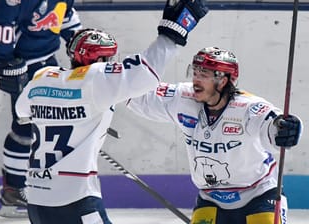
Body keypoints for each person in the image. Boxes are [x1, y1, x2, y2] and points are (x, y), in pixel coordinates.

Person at [14, 0, 209, 223]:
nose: (111, 61)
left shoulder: (43, 77)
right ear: (99, 59)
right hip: (75, 199)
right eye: (108, 57)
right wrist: (172, 33)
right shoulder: (96, 77)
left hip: (37, 199)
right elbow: (146, 72)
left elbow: (22, 112)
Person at [126, 46, 303, 224]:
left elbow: (272, 125)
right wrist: (109, 83)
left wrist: (286, 128)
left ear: (223, 81)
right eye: (194, 72)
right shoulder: (182, 97)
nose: (195, 80)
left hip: (260, 196)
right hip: (211, 199)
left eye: (203, 74)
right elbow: (136, 94)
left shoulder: (248, 108)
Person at [0, 0, 82, 217]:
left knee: (51, 129)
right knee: (26, 129)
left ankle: (43, 187)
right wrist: (6, 64)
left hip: (49, 64)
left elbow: (66, 19)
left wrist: (83, 44)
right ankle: (13, 191)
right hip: (24, 67)